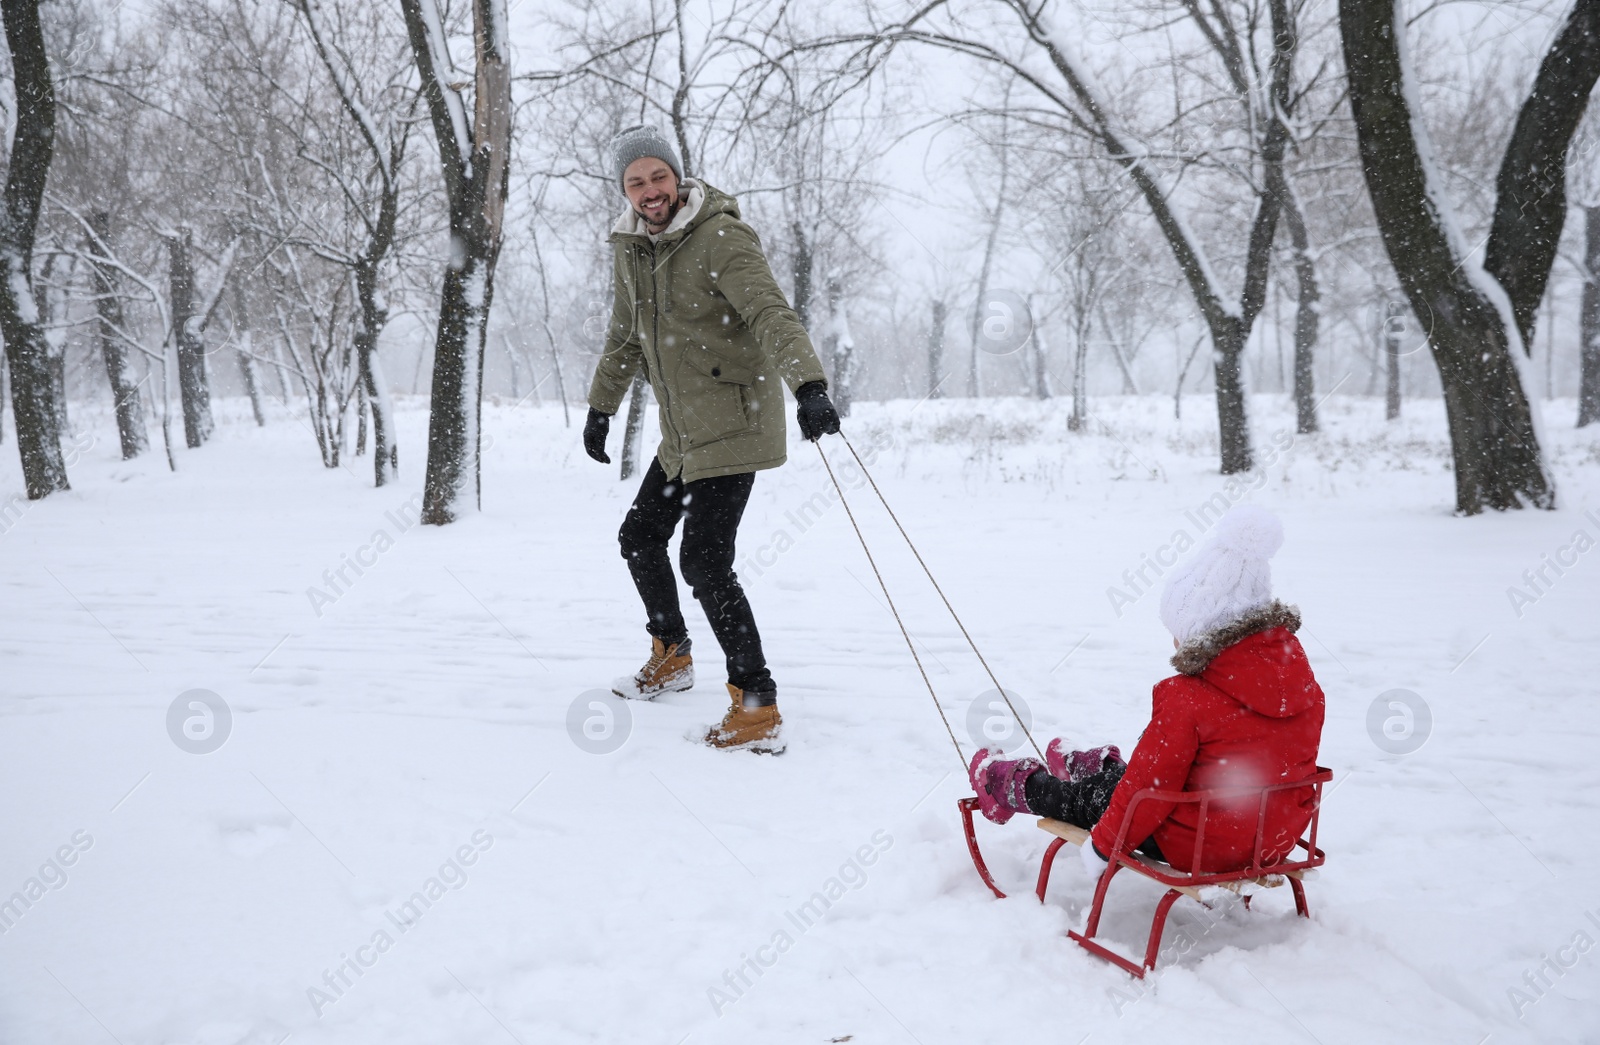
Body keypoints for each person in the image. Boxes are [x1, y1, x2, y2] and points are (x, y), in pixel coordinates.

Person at [583, 124, 840, 755]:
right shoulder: (630, 249)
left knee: (703, 560)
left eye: (658, 177)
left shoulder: (720, 236)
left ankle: (756, 705)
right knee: (640, 536)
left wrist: (808, 384)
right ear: (624, 189)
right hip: (682, 432)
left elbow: (769, 312)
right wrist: (600, 407)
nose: (650, 191)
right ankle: (671, 653)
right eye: (636, 181)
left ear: (678, 177)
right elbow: (624, 333)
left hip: (732, 423)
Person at [968, 506, 1325, 877]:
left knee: (1094, 801)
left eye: (1179, 631)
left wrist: (1103, 847)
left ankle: (1009, 784)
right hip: (1270, 839)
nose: (1173, 641)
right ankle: (1102, 771)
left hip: (1198, 842)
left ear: (1205, 634)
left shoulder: (1188, 698)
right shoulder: (1306, 689)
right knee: (1152, 774)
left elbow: (1147, 788)